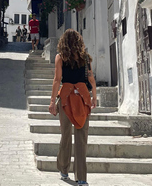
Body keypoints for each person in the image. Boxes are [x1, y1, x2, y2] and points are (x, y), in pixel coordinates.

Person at [48, 29, 97, 186]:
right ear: (79, 42)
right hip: (83, 99)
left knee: (66, 135)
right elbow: (91, 79)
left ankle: (63, 169)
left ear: (63, 42)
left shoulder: (60, 58)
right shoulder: (86, 58)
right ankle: (81, 178)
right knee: (82, 138)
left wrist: (51, 102)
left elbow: (57, 80)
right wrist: (94, 97)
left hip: (66, 99)